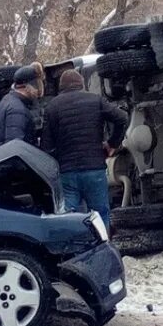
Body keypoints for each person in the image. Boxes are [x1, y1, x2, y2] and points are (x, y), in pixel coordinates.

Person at [41, 69, 128, 228]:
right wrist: (112, 144)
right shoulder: (96, 100)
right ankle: (102, 248)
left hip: (67, 171)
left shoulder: (52, 107)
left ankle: (75, 250)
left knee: (69, 217)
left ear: (61, 87)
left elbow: (46, 146)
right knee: (100, 213)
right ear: (81, 84)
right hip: (94, 167)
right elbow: (122, 118)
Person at [0, 65, 41, 148]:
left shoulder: (6, 101)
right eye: (36, 86)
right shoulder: (17, 110)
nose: (37, 91)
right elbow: (14, 148)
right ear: (28, 87)